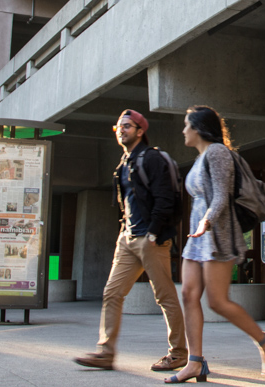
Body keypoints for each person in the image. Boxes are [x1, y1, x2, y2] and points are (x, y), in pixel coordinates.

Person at [165, 105, 265, 384]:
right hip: (199, 238)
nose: (183, 130)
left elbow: (220, 196)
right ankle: (195, 362)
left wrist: (206, 223)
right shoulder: (200, 158)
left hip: (218, 236)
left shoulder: (217, 153)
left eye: (186, 125)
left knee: (217, 301)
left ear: (198, 128)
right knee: (188, 295)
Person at [75, 109, 188, 372]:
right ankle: (105, 353)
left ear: (140, 131)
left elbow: (164, 199)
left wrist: (152, 233)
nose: (121, 130)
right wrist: (125, 232)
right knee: (112, 293)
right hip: (128, 239)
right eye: (118, 126)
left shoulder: (151, 159)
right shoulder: (123, 164)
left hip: (151, 239)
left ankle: (179, 352)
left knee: (164, 296)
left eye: (127, 126)